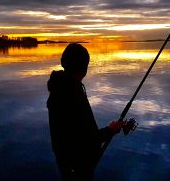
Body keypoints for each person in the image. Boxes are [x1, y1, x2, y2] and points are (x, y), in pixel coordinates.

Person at [47, 43, 123, 181]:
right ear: (84, 67)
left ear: (63, 62)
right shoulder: (73, 93)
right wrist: (111, 130)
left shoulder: (58, 87)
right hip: (78, 167)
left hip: (65, 164)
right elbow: (90, 140)